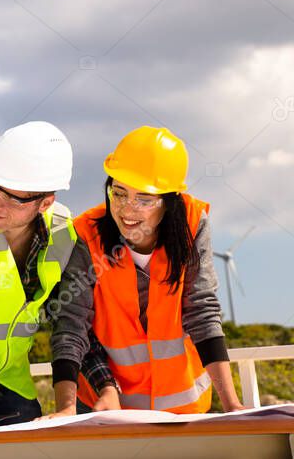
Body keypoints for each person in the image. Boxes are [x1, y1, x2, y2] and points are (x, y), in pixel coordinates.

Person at [0, 121, 117, 426]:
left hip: (11, 384)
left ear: (45, 203)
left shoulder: (64, 232)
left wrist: (106, 386)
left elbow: (72, 322)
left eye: (13, 197)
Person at [49, 126, 243, 415]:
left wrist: (232, 406)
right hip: (106, 409)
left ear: (170, 201)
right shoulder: (86, 235)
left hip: (184, 410)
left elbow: (202, 311)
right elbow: (71, 324)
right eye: (119, 193)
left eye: (144, 199)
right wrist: (66, 409)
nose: (127, 210)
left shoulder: (192, 224)